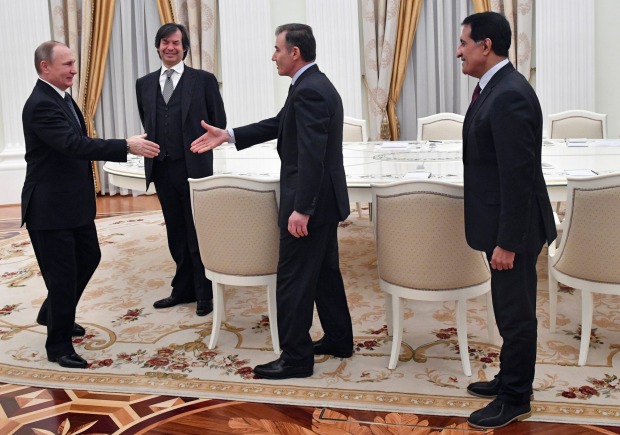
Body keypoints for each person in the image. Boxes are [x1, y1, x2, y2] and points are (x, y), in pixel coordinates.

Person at [190, 23, 354, 380]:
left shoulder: (310, 90)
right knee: (325, 274)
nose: (273, 55)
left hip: (311, 204)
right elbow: (280, 124)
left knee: (293, 280)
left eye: (277, 49)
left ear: (295, 53)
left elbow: (312, 156)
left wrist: (302, 209)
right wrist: (229, 135)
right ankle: (340, 339)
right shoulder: (310, 85)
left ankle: (296, 358)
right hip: (325, 201)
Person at [22, 40, 160, 369]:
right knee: (62, 274)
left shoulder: (63, 98)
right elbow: (72, 144)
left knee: (89, 256)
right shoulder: (41, 104)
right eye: (67, 64)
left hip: (72, 203)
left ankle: (52, 311)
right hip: (49, 208)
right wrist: (125, 145)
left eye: (74, 63)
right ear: (46, 68)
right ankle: (58, 345)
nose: (74, 69)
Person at [456, 12, 557, 429]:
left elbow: (518, 176)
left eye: (464, 42)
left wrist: (508, 241)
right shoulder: (494, 87)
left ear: (486, 46)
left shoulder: (509, 93)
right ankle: (509, 378)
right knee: (507, 310)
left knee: (516, 315)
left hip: (512, 230)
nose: (459, 51)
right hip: (502, 224)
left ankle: (516, 397)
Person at [136, 23, 227, 317]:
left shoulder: (203, 80)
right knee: (175, 232)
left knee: (197, 232)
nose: (170, 47)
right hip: (162, 169)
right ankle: (183, 288)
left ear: (185, 47)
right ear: (158, 46)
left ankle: (205, 292)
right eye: (165, 42)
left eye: (176, 42)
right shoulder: (144, 84)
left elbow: (218, 121)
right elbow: (147, 121)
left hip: (194, 168)